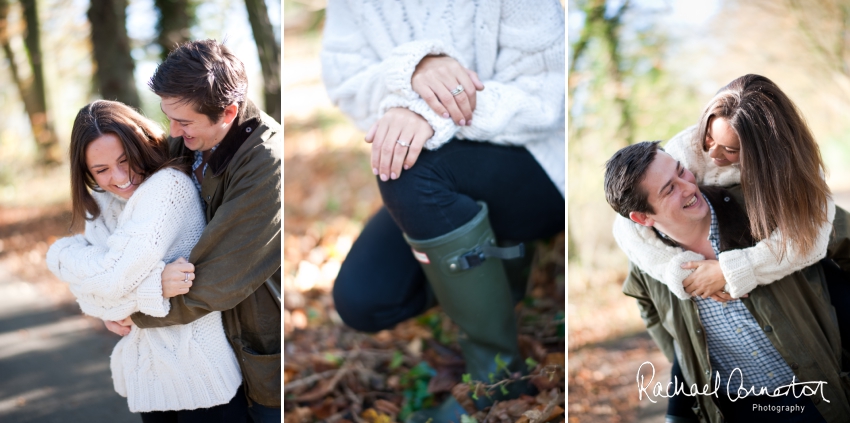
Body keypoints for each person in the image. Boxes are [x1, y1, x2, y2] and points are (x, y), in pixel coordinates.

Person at [322, 1, 565, 420]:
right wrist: (412, 71)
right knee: (364, 301)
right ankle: (498, 263)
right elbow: (346, 85)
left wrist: (430, 111)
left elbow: (546, 101)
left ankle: (497, 377)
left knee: (409, 169)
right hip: (447, 169)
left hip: (540, 162)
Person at [610, 74, 843, 422]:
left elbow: (822, 236)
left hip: (808, 395)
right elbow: (652, 305)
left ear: (763, 156)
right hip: (732, 406)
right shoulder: (683, 156)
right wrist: (680, 274)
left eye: (730, 150)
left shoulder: (769, 206)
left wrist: (733, 270)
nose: (711, 156)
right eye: (709, 138)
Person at [104, 40, 282, 422]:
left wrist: (131, 310)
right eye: (169, 118)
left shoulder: (266, 163)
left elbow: (218, 278)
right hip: (198, 351)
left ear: (228, 112)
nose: (172, 131)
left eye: (184, 122)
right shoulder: (188, 144)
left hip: (254, 350)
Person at [46, 100, 247, 421]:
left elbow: (110, 279)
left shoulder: (167, 187)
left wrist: (113, 296)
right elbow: (100, 289)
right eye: (101, 170)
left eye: (126, 160)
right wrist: (153, 287)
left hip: (201, 379)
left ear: (141, 143)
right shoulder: (100, 203)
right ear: (85, 172)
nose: (121, 177)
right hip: (149, 379)